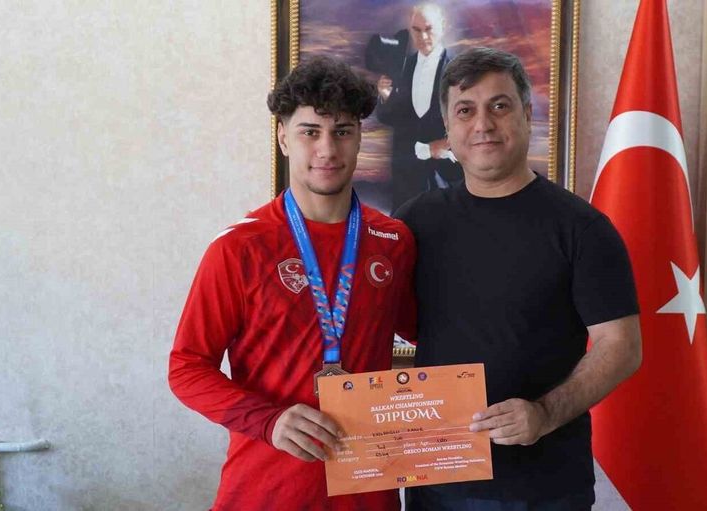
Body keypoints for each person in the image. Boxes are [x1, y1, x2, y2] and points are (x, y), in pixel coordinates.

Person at [396, 47, 643, 510]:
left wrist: (545, 413)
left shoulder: (582, 228)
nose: (483, 124)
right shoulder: (413, 222)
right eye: (465, 111)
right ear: (447, 127)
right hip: (437, 482)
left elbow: (622, 346)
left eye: (500, 106)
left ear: (527, 115)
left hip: (543, 488)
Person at [168, 56, 416, 511]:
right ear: (283, 137)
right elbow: (186, 367)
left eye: (342, 131)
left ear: (360, 138)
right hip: (265, 492)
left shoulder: (393, 240)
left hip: (369, 494)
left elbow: (432, 335)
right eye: (309, 132)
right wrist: (269, 421)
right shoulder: (239, 247)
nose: (327, 149)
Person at [376, 2, 462, 213]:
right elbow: (391, 119)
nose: (422, 37)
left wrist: (442, 146)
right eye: (416, 30)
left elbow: (469, 123)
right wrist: (386, 97)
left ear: (443, 26)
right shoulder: (401, 67)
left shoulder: (460, 70)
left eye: (429, 29)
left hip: (445, 180)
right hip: (406, 179)